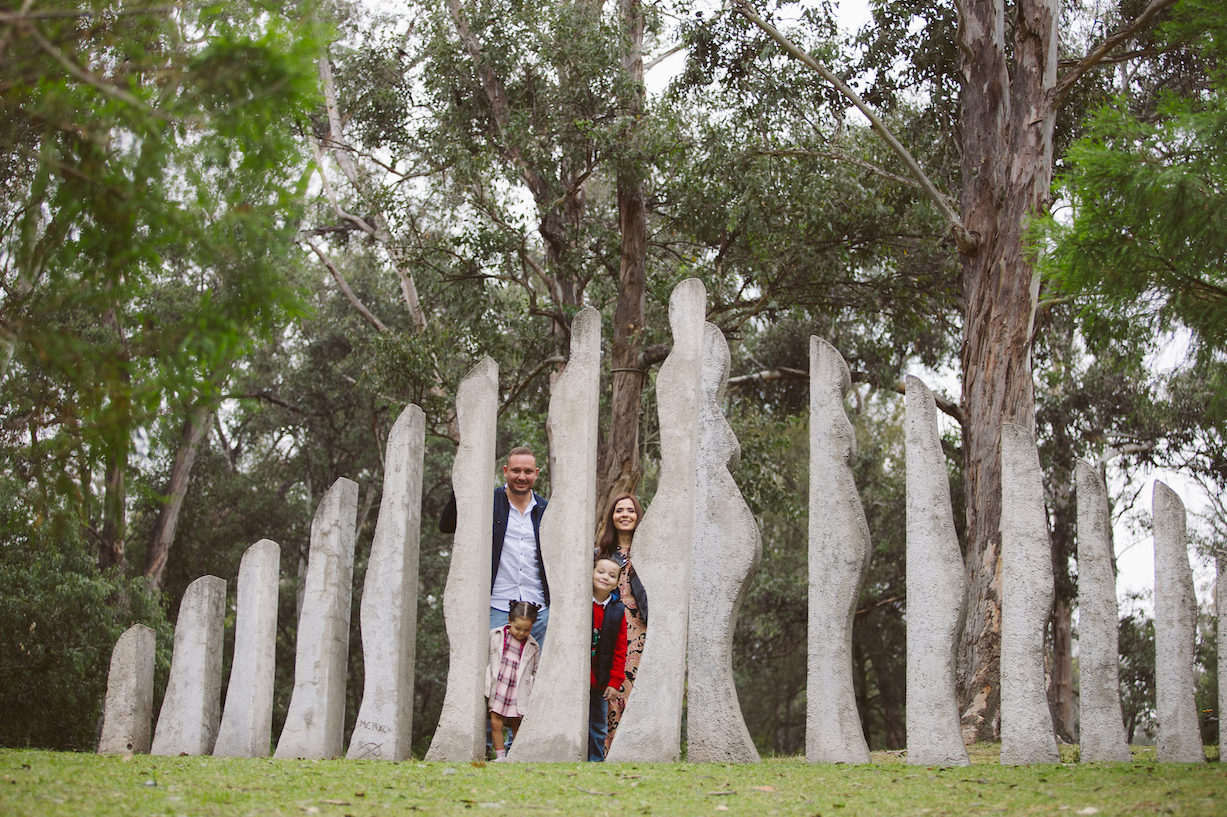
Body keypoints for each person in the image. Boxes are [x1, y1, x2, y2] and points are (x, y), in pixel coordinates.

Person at [440, 447, 550, 647]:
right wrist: (463, 483)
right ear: (505, 471)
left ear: (536, 473)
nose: (522, 477)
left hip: (538, 611)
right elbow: (447, 525)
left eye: (528, 471)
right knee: (494, 666)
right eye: (516, 470)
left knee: (537, 667)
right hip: (497, 606)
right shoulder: (487, 502)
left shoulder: (546, 510)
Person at [594, 494, 647, 753]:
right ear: (612, 517)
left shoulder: (649, 554)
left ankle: (632, 750)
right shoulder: (600, 554)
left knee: (633, 689)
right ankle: (603, 750)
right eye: (619, 510)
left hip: (639, 631)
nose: (625, 515)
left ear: (638, 516)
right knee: (607, 686)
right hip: (608, 628)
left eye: (630, 510)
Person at [485, 601, 541, 761]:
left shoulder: (533, 646)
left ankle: (518, 755)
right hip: (499, 685)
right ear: (509, 620)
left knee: (517, 724)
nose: (521, 633)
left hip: (518, 689)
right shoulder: (495, 636)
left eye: (527, 630)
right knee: (496, 721)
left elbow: (536, 670)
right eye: (517, 628)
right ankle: (500, 756)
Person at [589, 554, 627, 762]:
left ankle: (595, 760)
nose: (605, 577)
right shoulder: (581, 603)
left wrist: (614, 681)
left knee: (598, 724)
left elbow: (620, 650)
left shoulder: (617, 610)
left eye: (612, 575)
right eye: (600, 572)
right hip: (579, 677)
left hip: (601, 679)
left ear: (617, 583)